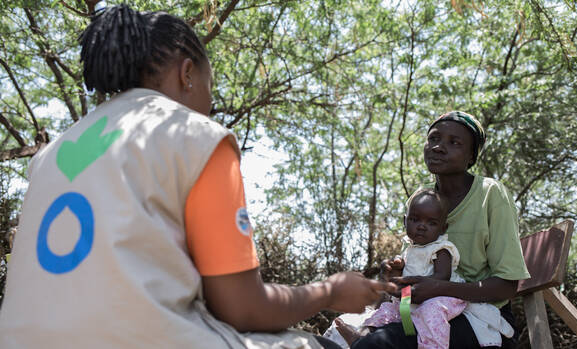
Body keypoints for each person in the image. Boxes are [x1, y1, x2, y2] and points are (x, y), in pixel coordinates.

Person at [0, 5, 396, 349]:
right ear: (187, 73)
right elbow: (243, 308)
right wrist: (329, 292)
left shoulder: (50, 155)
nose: (209, 103)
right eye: (210, 85)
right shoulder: (194, 135)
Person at [345, 111, 531, 348]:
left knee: (377, 345)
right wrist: (394, 276)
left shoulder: (491, 194)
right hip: (419, 311)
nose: (438, 147)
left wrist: (440, 288)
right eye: (434, 138)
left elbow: (507, 285)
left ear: (471, 155)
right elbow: (415, 266)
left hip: (482, 319)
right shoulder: (423, 198)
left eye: (454, 142)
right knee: (362, 335)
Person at [331, 188, 467, 349]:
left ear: (443, 228)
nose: (422, 226)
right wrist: (398, 268)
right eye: (416, 220)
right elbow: (409, 272)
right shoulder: (410, 249)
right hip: (413, 295)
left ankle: (433, 346)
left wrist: (413, 288)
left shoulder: (441, 249)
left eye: (431, 223)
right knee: (388, 311)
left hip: (441, 296)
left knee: (431, 313)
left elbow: (443, 277)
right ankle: (362, 336)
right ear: (405, 221)